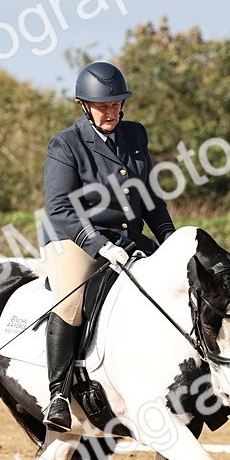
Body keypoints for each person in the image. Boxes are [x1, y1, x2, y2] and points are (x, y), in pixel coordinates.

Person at [40, 61, 177, 431]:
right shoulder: (65, 144)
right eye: (103, 106)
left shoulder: (135, 135)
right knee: (70, 301)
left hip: (127, 238)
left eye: (117, 104)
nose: (111, 112)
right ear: (84, 105)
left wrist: (169, 238)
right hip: (74, 239)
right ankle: (57, 395)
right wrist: (99, 246)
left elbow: (149, 196)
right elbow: (59, 209)